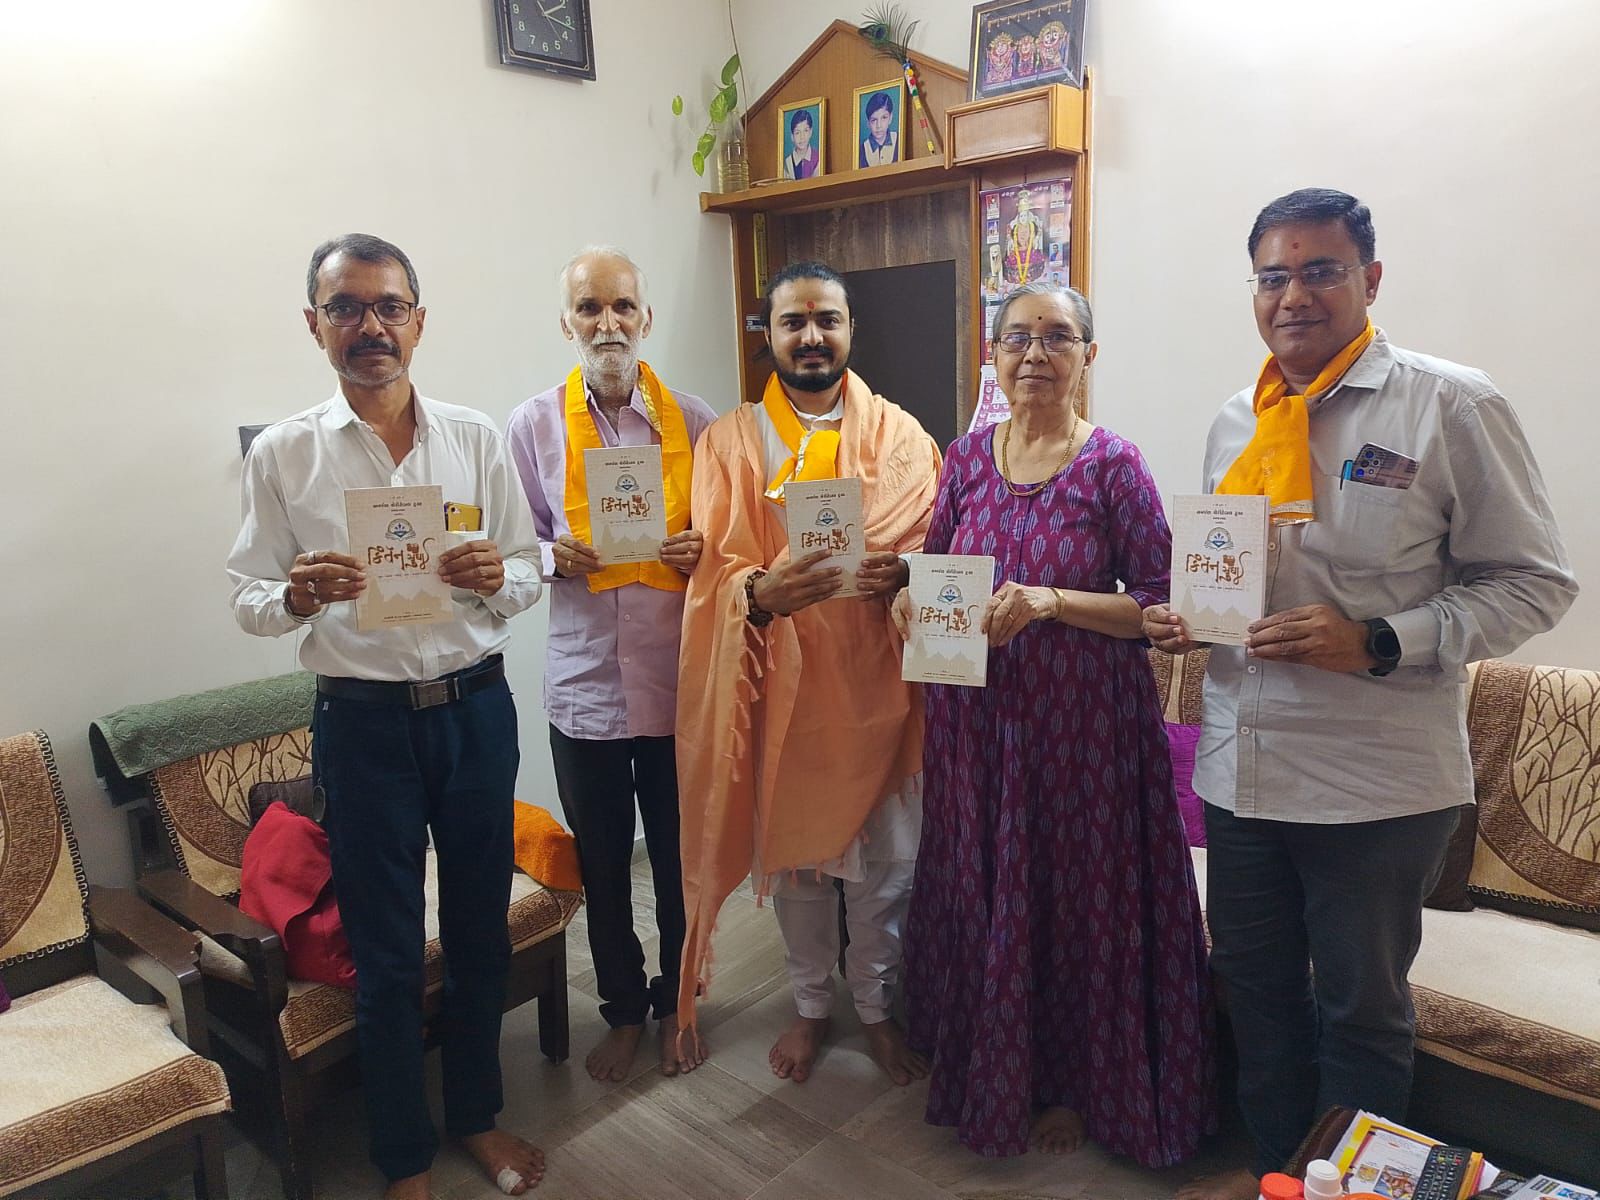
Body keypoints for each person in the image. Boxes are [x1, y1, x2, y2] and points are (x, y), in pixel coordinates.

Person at [1143, 189, 1578, 1200]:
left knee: (1361, 1016)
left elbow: (1534, 583)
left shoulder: (1448, 405)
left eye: (1319, 271)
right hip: (1239, 776)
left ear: (1369, 280)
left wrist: (1380, 639)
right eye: (1272, 276)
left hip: (1374, 790)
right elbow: (1231, 574)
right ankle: (1279, 1178)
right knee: (1258, 1003)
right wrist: (1188, 615)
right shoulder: (1236, 419)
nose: (1293, 295)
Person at [228, 234, 546, 1198]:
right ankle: (403, 1156)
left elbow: (527, 568)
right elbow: (247, 596)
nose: (370, 326)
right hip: (362, 725)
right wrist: (294, 594)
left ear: (419, 320)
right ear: (315, 324)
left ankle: (477, 1117)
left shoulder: (474, 437)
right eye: (346, 307)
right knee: (386, 947)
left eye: (388, 306)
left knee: (481, 927)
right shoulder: (285, 453)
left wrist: (497, 576)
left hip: (474, 711)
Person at [897, 281, 1214, 1166]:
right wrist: (910, 604)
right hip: (976, 730)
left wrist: (1052, 601)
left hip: (1085, 734)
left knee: (1076, 903)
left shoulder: (1113, 464)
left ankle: (1076, 1083)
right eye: (1017, 337)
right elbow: (938, 569)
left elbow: (1161, 606)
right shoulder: (965, 458)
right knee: (988, 891)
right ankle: (1000, 1068)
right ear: (993, 356)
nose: (1035, 353)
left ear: (1087, 356)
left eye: (1057, 337)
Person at [675, 260, 941, 1087]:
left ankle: (876, 1009)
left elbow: (934, 545)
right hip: (784, 700)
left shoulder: (903, 436)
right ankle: (811, 1005)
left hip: (878, 692)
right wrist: (758, 592)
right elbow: (715, 569)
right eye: (793, 321)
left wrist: (905, 572)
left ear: (851, 329)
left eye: (828, 319)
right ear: (770, 334)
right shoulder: (729, 441)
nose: (812, 336)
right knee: (797, 874)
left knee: (885, 872)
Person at [504, 246, 715, 1083]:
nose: (608, 323)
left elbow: (732, 540)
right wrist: (551, 556)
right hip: (584, 690)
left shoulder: (695, 421)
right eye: (589, 308)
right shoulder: (532, 425)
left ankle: (680, 1004)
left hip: (675, 686)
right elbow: (511, 551)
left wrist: (703, 549)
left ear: (645, 317)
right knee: (603, 865)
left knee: (679, 863)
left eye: (622, 306)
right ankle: (624, 1010)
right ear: (567, 323)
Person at [858, 91, 899, 167]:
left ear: (890, 118)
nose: (879, 125)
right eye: (874, 120)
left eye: (884, 118)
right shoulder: (862, 150)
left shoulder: (899, 140)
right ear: (868, 123)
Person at [784, 108, 819, 180]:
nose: (802, 137)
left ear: (810, 132)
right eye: (797, 133)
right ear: (792, 136)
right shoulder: (787, 164)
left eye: (805, 131)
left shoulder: (818, 159)